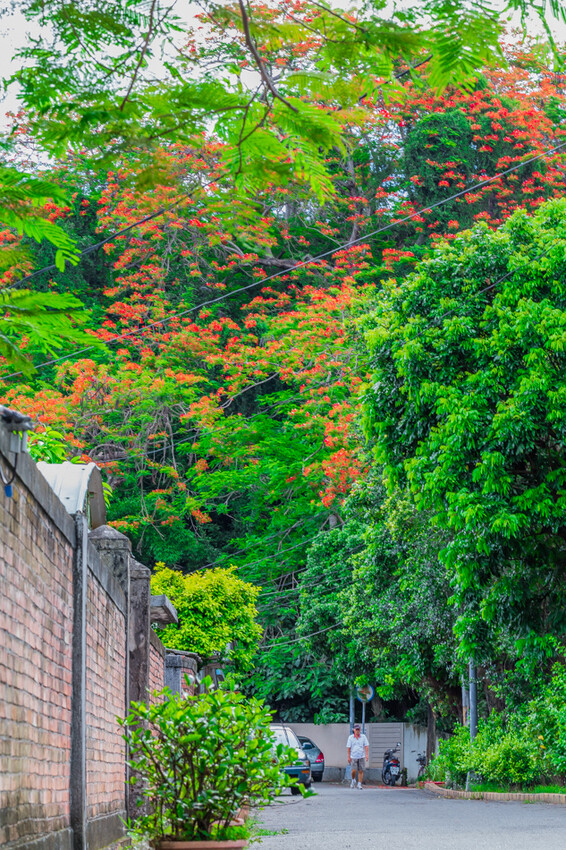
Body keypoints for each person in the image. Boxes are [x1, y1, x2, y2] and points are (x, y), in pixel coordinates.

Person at [347, 723, 369, 789]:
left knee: (361, 770)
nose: (357, 731)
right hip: (353, 756)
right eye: (356, 729)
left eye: (358, 729)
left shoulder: (363, 737)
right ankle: (353, 780)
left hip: (361, 756)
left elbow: (366, 746)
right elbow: (348, 747)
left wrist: (367, 755)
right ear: (354, 730)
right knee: (353, 770)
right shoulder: (350, 737)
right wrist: (348, 757)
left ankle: (359, 784)